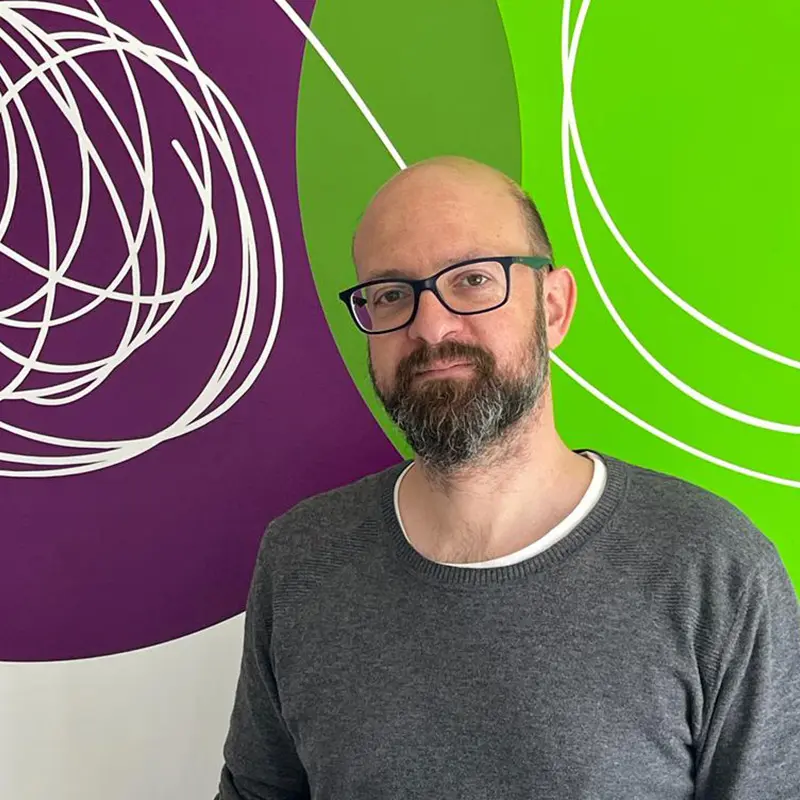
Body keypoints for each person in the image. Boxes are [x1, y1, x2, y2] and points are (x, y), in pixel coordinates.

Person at [216, 156, 800, 799]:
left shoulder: (713, 570)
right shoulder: (301, 559)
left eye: (472, 279)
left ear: (553, 307)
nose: (430, 327)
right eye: (390, 294)